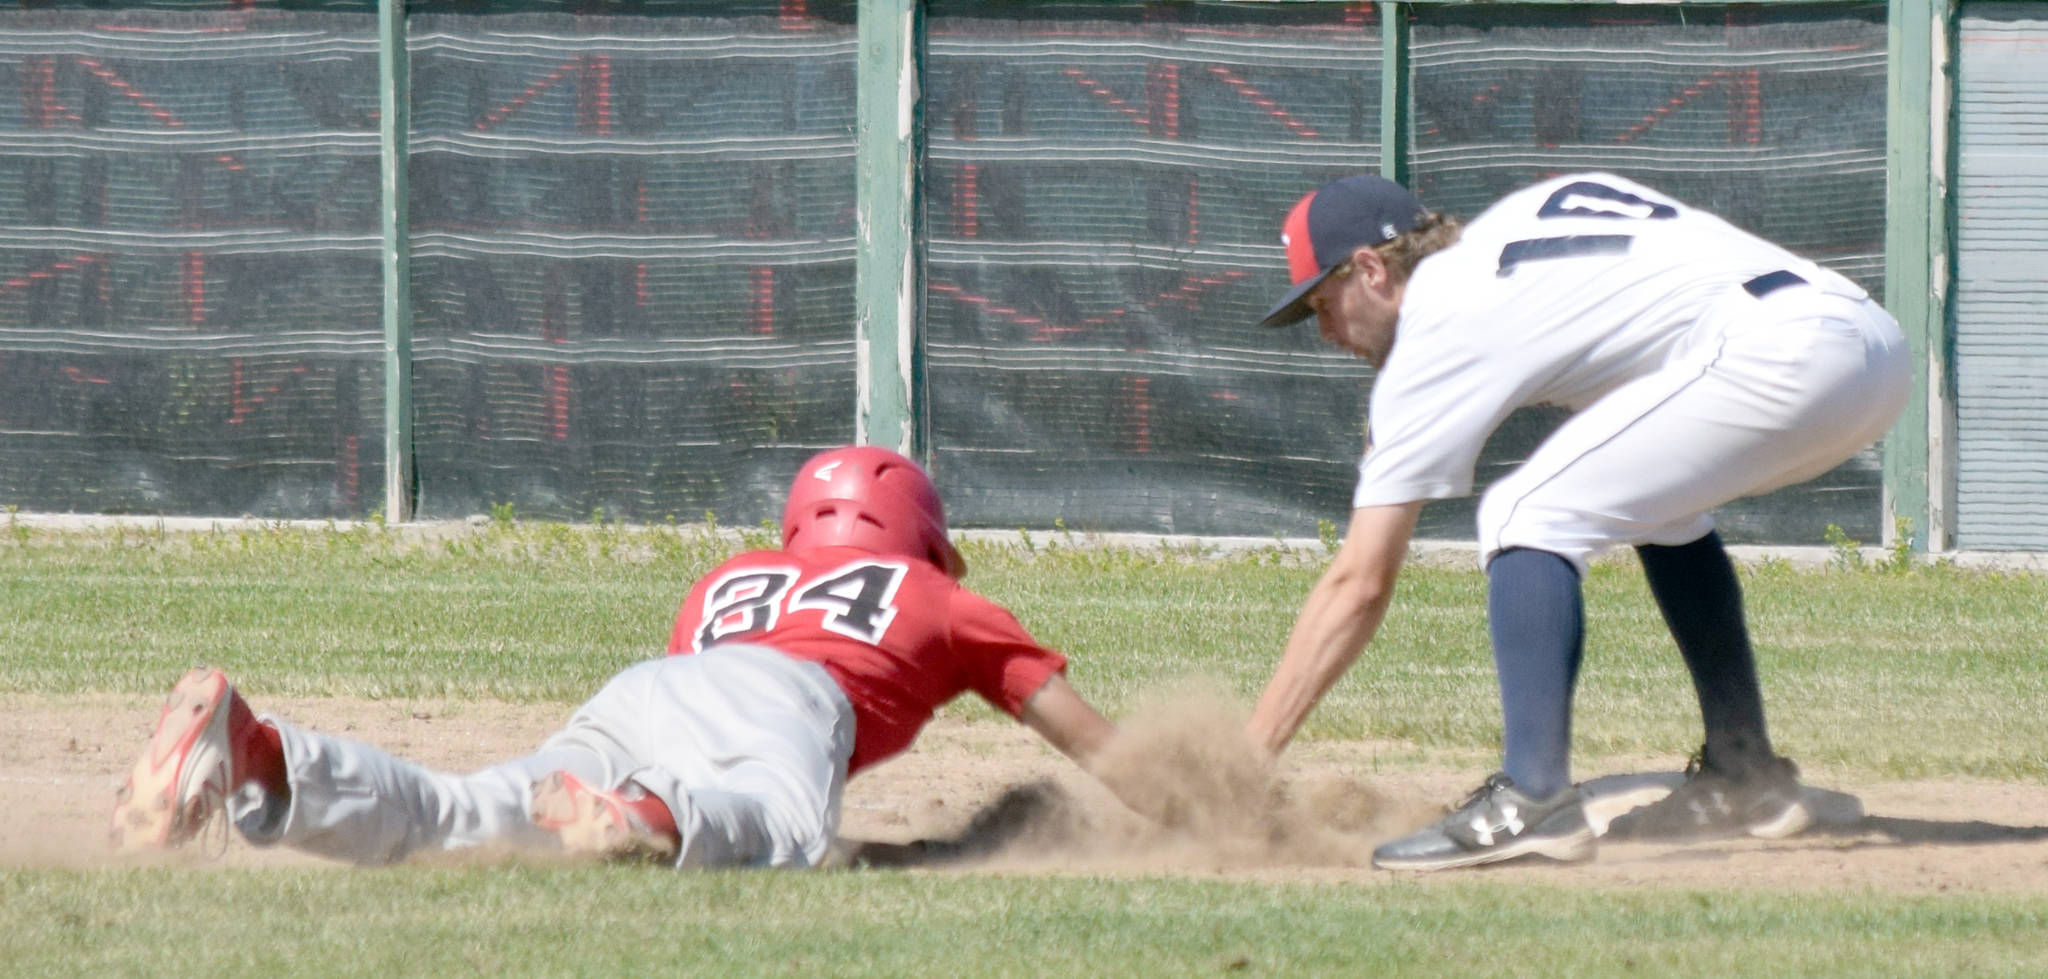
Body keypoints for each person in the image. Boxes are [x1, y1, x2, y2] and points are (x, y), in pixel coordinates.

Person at [1243, 171, 1909, 871]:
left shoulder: (1439, 315)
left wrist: (1245, 760)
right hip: (1864, 341)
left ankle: (1532, 797)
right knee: (1660, 509)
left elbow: (1359, 582)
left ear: (1373, 270)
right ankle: (1743, 774)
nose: (1324, 331)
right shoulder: (1519, 234)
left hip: (1781, 350)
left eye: (1323, 302)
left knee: (1525, 512)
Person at [110, 445, 1136, 869]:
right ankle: (649, 819)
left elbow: (700, 698)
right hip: (790, 699)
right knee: (782, 826)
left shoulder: (726, 579)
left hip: (653, 686)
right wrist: (1205, 804)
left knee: (470, 811)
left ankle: (263, 750)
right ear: (917, 534)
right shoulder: (942, 596)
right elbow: (1098, 745)